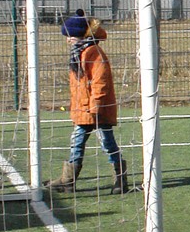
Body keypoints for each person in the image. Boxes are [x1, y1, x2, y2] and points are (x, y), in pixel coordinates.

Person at [49, 13, 130, 194]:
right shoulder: (79, 53)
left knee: (107, 144)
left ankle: (121, 180)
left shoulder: (94, 53)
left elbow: (100, 83)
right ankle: (67, 181)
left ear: (81, 36)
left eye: (70, 35)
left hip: (97, 111)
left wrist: (95, 107)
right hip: (84, 111)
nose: (68, 40)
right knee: (76, 142)